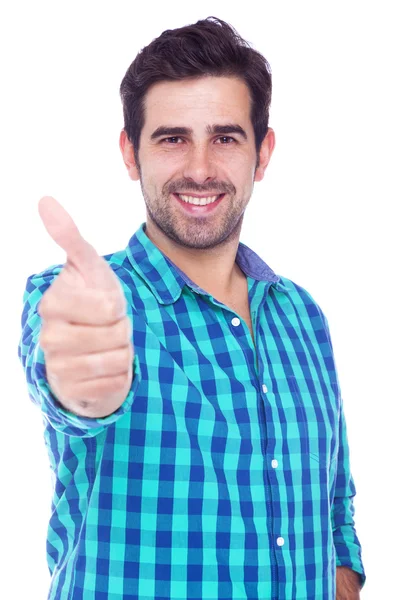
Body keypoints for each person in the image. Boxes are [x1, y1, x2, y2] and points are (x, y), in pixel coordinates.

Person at [18, 16, 366, 600]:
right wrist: (85, 379)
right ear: (131, 153)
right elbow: (72, 391)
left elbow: (333, 502)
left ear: (262, 154)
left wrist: (344, 575)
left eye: (226, 138)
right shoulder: (74, 296)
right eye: (172, 138)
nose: (200, 168)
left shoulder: (302, 314)